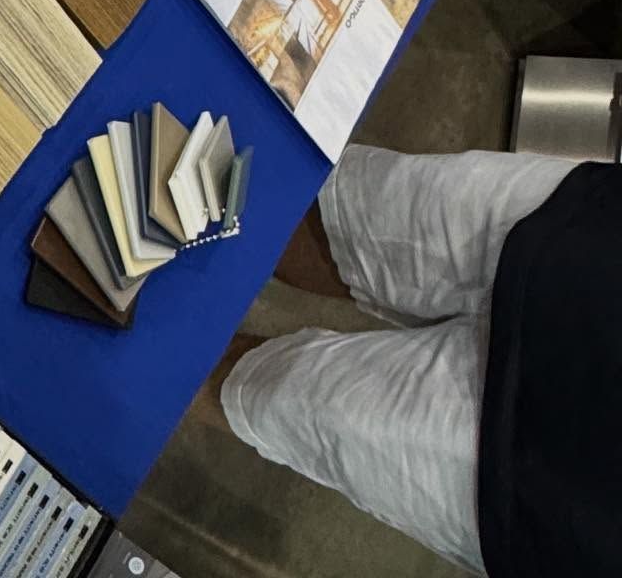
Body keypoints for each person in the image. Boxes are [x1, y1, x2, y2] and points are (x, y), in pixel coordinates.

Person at [218, 145, 622, 576]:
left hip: (552, 488)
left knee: (268, 394)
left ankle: (141, 359)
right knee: (330, 215)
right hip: (588, 237)